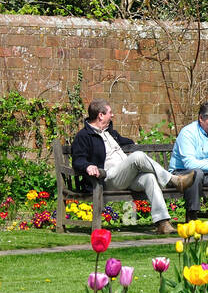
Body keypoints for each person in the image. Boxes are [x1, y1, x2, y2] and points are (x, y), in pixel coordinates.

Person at [70, 100, 195, 236]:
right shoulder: (84, 136)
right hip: (108, 179)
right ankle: (173, 180)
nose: (112, 115)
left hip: (126, 177)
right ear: (101, 115)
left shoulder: (110, 132)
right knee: (138, 156)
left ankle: (163, 223)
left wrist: (132, 143)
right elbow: (78, 159)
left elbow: (125, 141)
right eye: (110, 113)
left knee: (150, 178)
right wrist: (88, 166)